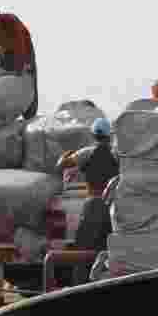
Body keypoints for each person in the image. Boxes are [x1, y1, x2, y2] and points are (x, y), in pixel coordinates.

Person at [56, 117, 120, 283]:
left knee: (83, 248)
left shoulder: (86, 153)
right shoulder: (117, 155)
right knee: (107, 250)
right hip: (113, 207)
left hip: (92, 206)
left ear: (93, 135)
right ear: (110, 136)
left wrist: (66, 156)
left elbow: (61, 166)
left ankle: (80, 284)